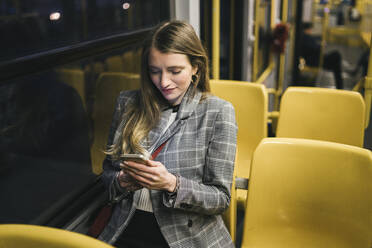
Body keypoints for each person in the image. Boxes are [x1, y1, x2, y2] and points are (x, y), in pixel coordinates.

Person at [98, 20, 238, 248]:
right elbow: (107, 173)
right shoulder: (127, 103)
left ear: (196, 67)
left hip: (186, 234)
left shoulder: (218, 112)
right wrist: (121, 181)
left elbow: (220, 199)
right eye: (155, 71)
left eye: (175, 71)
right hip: (126, 225)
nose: (163, 82)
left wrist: (172, 184)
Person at [300, 22, 344, 89]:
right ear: (307, 29)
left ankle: (339, 84)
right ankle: (340, 85)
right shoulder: (305, 38)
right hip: (314, 60)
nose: (311, 31)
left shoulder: (306, 37)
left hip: (316, 58)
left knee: (336, 64)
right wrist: (320, 46)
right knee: (336, 56)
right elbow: (313, 48)